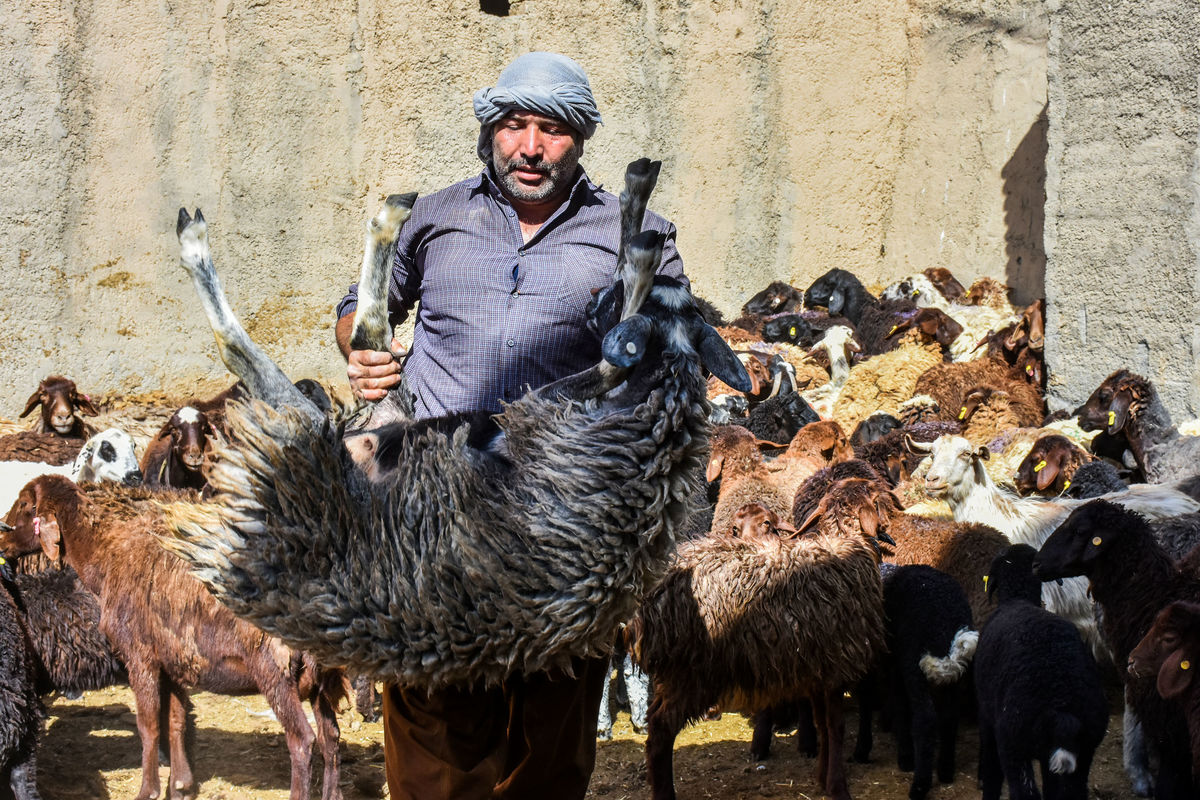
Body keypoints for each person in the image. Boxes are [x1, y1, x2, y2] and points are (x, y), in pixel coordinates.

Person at [333, 52, 689, 799]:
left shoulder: (637, 235)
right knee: (434, 710)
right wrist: (360, 348)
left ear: (581, 140)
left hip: (562, 514)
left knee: (550, 728)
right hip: (432, 498)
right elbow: (361, 302)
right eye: (515, 125)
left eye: (552, 130)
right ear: (491, 130)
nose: (530, 147)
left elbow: (673, 345)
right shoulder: (435, 215)